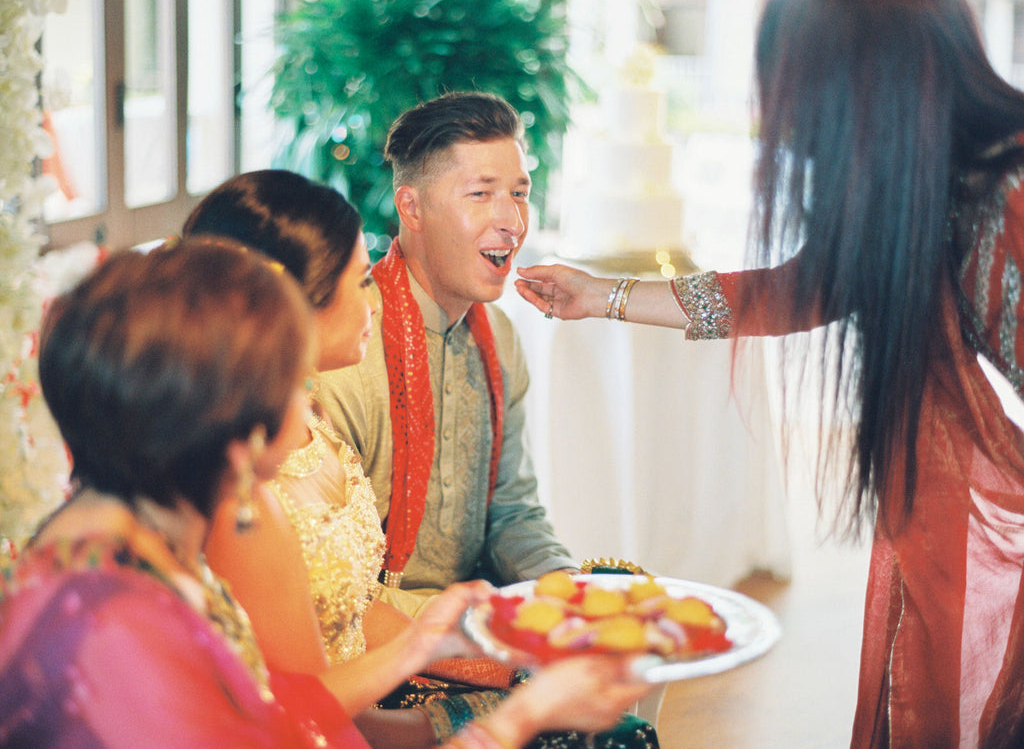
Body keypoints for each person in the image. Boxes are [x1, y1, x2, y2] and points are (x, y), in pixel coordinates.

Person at [516, 0, 1024, 746]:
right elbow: (799, 290)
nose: (784, 122)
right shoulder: (930, 184)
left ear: (859, 88)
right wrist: (600, 295)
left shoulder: (1008, 189)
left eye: (794, 88)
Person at [0, 242, 652, 748]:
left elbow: (266, 711)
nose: (310, 403)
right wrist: (522, 716)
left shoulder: (118, 530)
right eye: (293, 385)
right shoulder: (119, 629)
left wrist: (421, 643)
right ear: (239, 440)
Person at [185, 170, 658, 749]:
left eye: (520, 191)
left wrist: (543, 616)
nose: (374, 298)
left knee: (618, 616)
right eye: (361, 282)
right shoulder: (249, 492)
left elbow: (356, 610)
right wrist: (490, 712)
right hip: (342, 722)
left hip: (376, 689)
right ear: (287, 308)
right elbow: (301, 718)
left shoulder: (310, 418)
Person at [317, 91, 577, 617]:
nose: (512, 221)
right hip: (376, 636)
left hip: (470, 614)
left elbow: (512, 512)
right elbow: (328, 582)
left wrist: (568, 587)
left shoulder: (499, 336)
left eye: (519, 194)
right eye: (480, 195)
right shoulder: (345, 349)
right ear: (411, 207)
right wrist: (479, 623)